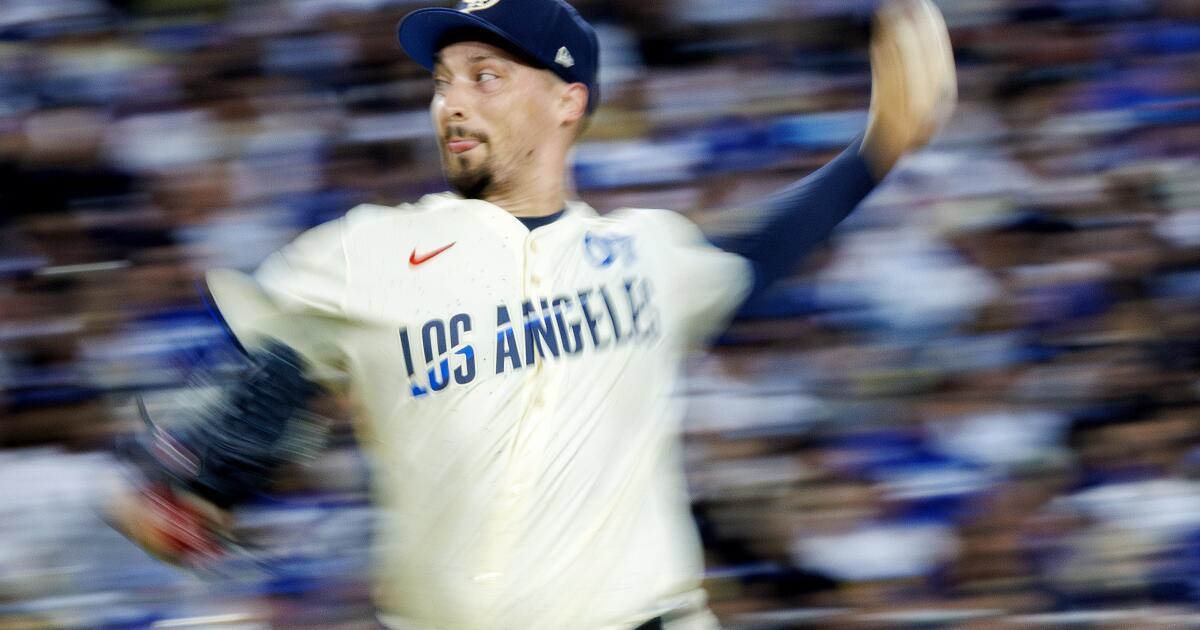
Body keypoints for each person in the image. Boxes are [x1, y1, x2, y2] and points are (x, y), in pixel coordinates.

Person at [109, 0, 957, 628]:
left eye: (486, 77)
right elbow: (243, 390)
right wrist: (184, 494)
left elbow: (754, 255)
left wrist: (875, 149)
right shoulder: (359, 253)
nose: (452, 101)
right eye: (442, 81)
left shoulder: (650, 253)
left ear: (567, 102)